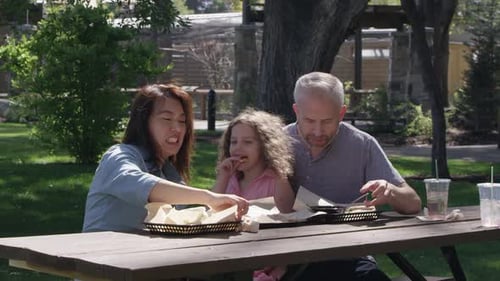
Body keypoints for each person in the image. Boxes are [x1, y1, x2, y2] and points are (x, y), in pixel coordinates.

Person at [285, 72, 422, 281]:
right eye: (310, 120)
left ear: (341, 114)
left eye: (327, 121)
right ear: (296, 110)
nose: (318, 131)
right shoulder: (277, 143)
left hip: (349, 256)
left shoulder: (362, 144)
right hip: (286, 259)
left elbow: (413, 203)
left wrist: (390, 190)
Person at [83, 84, 248, 233]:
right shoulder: (118, 156)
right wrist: (208, 197)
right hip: (101, 261)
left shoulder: (168, 170)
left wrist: (222, 182)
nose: (177, 128)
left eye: (182, 121)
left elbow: (196, 217)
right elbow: (143, 185)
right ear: (143, 122)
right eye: (167, 119)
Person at [212, 108, 295, 281]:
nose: (237, 148)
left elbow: (288, 217)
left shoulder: (276, 179)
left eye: (247, 142)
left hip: (264, 258)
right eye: (233, 142)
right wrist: (223, 177)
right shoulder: (231, 179)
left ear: (265, 146)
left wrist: (280, 266)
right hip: (226, 255)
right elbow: (210, 213)